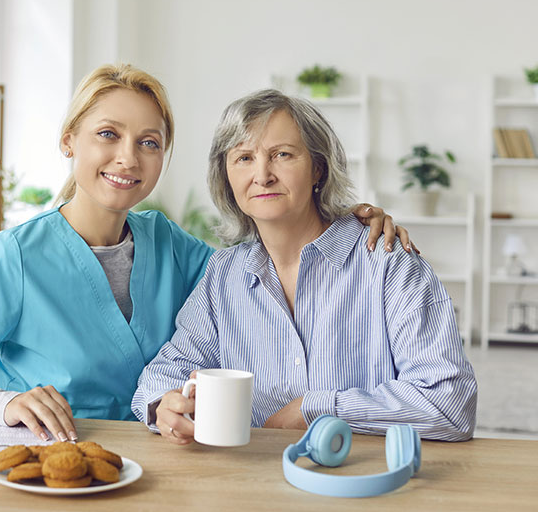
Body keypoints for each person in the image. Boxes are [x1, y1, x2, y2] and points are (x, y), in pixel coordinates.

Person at [0, 64, 412, 443]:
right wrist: (3, 404)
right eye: (108, 135)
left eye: (149, 142)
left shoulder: (170, 244)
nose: (127, 157)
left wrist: (345, 220)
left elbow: (268, 267)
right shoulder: (16, 258)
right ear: (70, 142)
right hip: (47, 469)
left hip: (156, 467)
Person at [132, 89, 477, 442]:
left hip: (363, 483)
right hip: (251, 482)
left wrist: (315, 410)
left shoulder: (388, 263)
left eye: (282, 155)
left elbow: (449, 404)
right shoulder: (223, 274)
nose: (262, 175)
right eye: (244, 158)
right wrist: (165, 403)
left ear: (318, 168)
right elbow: (164, 372)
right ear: (227, 177)